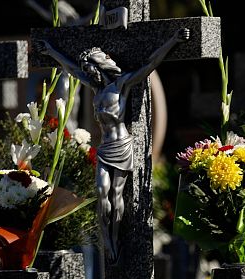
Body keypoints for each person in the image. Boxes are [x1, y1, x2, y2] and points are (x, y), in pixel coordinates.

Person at [40, 28, 189, 262]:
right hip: (104, 148)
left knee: (116, 195)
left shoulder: (121, 85)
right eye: (89, 71)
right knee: (101, 193)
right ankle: (107, 240)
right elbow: (70, 68)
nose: (92, 75)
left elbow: (151, 64)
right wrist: (51, 52)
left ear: (101, 66)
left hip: (121, 146)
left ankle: (115, 239)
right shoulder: (95, 89)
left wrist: (173, 39)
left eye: (93, 70)